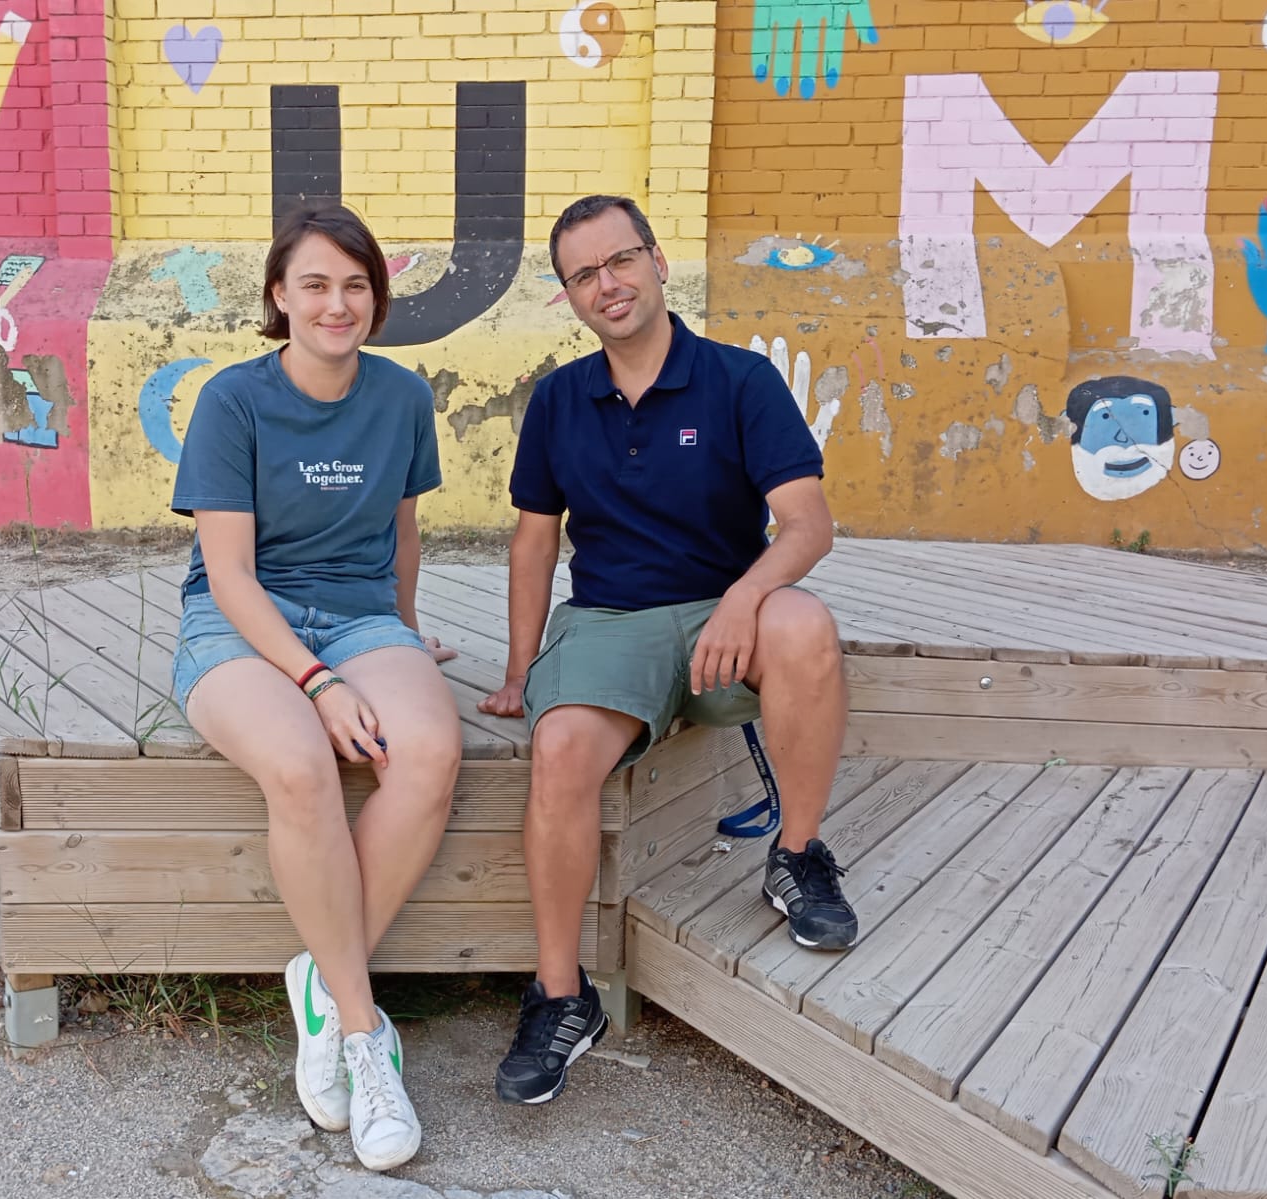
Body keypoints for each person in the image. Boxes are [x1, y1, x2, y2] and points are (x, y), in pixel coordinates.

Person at [479, 195, 857, 1106]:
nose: (606, 284)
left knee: (805, 624)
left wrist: (745, 596)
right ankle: (561, 996)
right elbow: (535, 541)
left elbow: (808, 523)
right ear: (570, 296)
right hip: (609, 622)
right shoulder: (559, 399)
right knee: (560, 748)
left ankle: (797, 855)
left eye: (620, 260)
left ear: (656, 260)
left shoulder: (739, 380)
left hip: (727, 617)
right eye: (583, 274)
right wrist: (519, 669)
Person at [168, 205, 461, 1171]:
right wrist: (318, 680)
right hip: (243, 623)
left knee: (428, 747)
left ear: (376, 298)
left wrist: (404, 640)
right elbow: (229, 574)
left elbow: (403, 534)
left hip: (361, 616)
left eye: (355, 285)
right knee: (301, 763)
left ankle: (321, 982)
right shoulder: (234, 400)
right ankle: (365, 1031)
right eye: (316, 284)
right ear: (279, 297)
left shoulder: (402, 396)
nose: (338, 304)